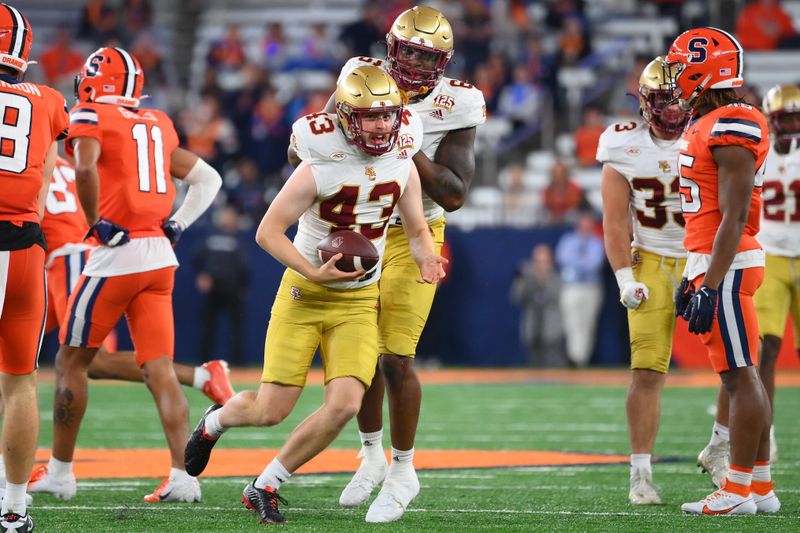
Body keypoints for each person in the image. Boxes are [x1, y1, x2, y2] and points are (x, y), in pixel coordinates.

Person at [184, 65, 446, 525]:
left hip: (360, 299)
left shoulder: (404, 153)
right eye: (371, 116)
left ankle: (265, 484)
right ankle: (215, 421)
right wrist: (312, 271)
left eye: (389, 115)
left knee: (345, 403)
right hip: (306, 294)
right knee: (270, 411)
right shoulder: (320, 158)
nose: (383, 125)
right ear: (346, 116)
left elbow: (418, 226)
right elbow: (268, 231)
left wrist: (427, 256)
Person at [305, 6, 485, 522]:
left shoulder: (459, 102)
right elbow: (315, 146)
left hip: (416, 232)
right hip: (360, 226)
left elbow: (453, 195)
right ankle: (369, 456)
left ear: (443, 62)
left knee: (395, 355)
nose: (411, 61)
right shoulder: (359, 78)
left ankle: (404, 469)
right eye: (406, 49)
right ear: (390, 46)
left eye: (425, 55)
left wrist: (404, 142)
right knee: (358, 355)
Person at [28, 47, 222, 504]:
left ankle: (60, 471)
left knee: (70, 362)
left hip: (116, 253)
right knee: (159, 369)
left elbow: (85, 164)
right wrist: (177, 223)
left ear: (93, 82)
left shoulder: (91, 115)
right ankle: (183, 478)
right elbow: (208, 179)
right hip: (159, 255)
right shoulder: (156, 122)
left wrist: (96, 222)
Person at [666, 27, 779, 515]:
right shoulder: (713, 118)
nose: (674, 76)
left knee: (740, 378)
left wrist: (709, 284)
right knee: (741, 375)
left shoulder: (733, 120)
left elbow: (733, 217)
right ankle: (759, 487)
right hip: (716, 259)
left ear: (702, 66)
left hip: (728, 261)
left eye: (681, 65)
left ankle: (736, 491)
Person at [40, 156, 235, 403]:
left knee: (93, 361)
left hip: (69, 257)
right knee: (11, 349)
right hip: (79, 254)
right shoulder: (65, 165)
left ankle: (202, 376)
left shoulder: (30, 161)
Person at [696, 83, 800, 485]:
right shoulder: (753, 143)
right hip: (770, 251)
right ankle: (764, 433)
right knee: (762, 349)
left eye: (795, 117)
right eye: (784, 118)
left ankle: (744, 460)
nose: (790, 125)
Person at [598, 57, 691, 505]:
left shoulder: (711, 134)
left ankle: (725, 449)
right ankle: (640, 475)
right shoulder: (622, 145)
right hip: (652, 257)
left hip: (704, 258)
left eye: (679, 101)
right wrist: (623, 277)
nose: (672, 111)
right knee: (647, 370)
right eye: (662, 101)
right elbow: (615, 223)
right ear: (644, 103)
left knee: (737, 366)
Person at [0, 5, 69, 531]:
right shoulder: (48, 101)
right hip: (26, 246)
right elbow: (42, 186)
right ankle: (15, 508)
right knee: (20, 380)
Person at [193, 204, 250, 364]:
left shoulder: (239, 238)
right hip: (213, 287)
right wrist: (201, 274)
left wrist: (243, 286)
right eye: (226, 215)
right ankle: (204, 361)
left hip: (232, 287)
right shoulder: (211, 236)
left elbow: (245, 265)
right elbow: (195, 258)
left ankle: (238, 363)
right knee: (208, 327)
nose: (229, 219)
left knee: (236, 327)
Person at [554, 209, 606, 367]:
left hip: (590, 287)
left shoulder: (597, 242)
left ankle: (581, 359)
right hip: (571, 286)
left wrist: (577, 264)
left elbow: (594, 264)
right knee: (571, 322)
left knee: (587, 324)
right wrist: (582, 262)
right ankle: (573, 357)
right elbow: (563, 259)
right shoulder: (568, 240)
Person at [510, 243, 565, 367]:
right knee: (534, 365)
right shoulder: (528, 279)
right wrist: (520, 280)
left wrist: (543, 278)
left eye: (543, 261)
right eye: (537, 261)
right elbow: (517, 298)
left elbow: (555, 297)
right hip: (533, 327)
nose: (540, 265)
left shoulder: (557, 278)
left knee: (554, 363)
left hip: (552, 328)